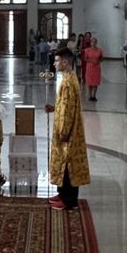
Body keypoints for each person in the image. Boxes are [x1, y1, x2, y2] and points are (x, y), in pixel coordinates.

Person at [47, 46, 90, 211]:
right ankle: (62, 193)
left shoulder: (68, 82)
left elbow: (68, 110)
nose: (54, 63)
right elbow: (65, 104)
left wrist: (63, 131)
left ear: (65, 62)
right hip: (68, 127)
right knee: (63, 161)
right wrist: (54, 108)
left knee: (68, 164)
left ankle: (69, 200)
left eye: (57, 61)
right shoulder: (69, 77)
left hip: (68, 130)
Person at [81, 36, 103, 103]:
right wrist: (91, 61)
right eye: (92, 42)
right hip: (90, 67)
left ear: (96, 42)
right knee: (90, 82)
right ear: (90, 43)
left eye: (95, 42)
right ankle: (90, 96)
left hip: (97, 67)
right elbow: (85, 59)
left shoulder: (99, 50)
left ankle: (94, 96)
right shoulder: (87, 50)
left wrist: (98, 61)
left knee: (95, 82)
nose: (93, 43)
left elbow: (102, 58)